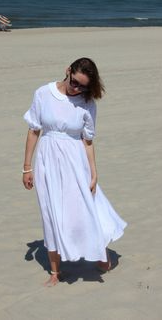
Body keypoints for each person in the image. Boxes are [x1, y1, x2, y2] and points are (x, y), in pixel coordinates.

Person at [22, 57, 127, 287]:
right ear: (67, 71)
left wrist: (94, 173)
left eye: (83, 86)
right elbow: (33, 131)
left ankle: (99, 252)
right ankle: (55, 271)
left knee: (82, 208)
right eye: (74, 82)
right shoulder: (43, 93)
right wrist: (27, 167)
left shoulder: (87, 103)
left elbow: (87, 141)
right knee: (51, 213)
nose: (76, 88)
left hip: (75, 161)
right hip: (47, 161)